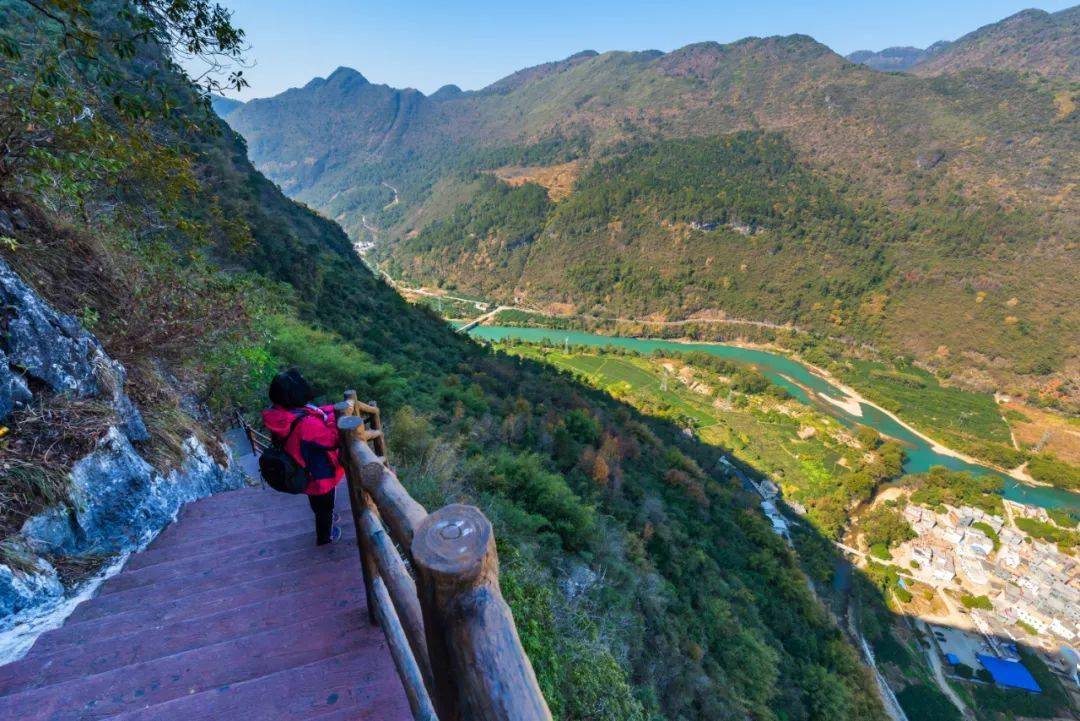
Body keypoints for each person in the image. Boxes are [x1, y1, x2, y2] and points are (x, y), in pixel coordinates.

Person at [261, 369, 344, 545]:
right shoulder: (307, 424)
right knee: (325, 507)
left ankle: (324, 517)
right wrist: (332, 419)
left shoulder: (281, 414)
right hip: (319, 473)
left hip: (302, 467)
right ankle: (325, 538)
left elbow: (313, 412)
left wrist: (331, 409)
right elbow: (333, 440)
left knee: (316, 501)